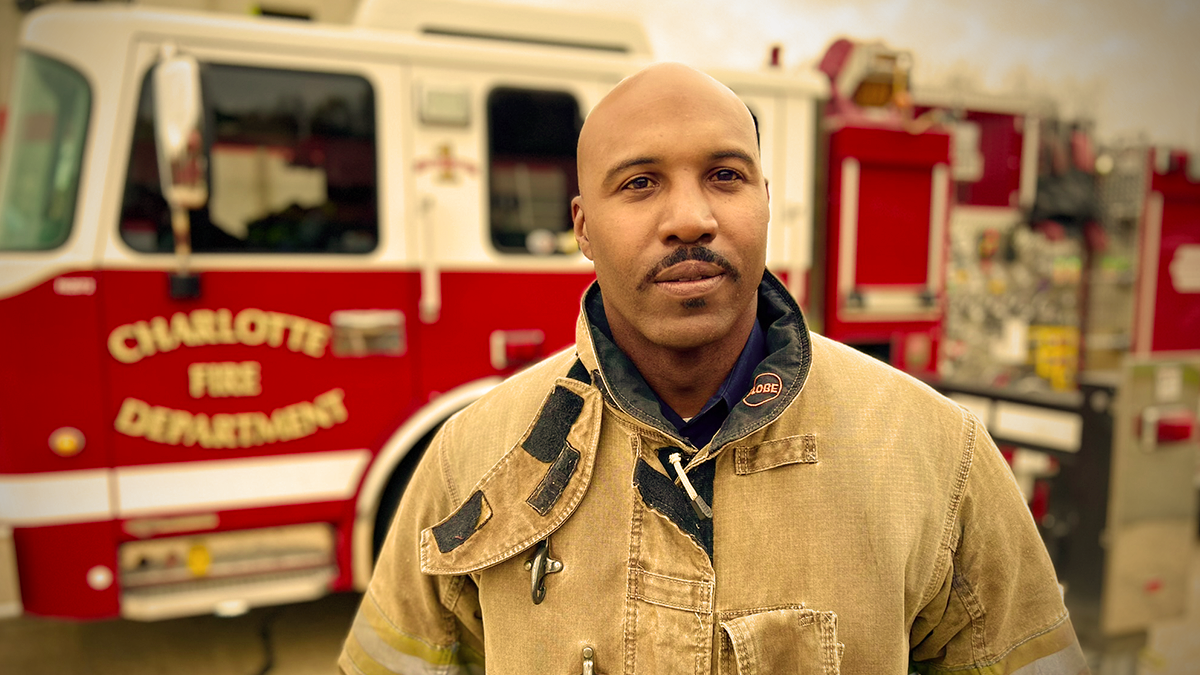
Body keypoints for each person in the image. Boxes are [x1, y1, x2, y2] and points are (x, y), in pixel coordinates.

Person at [339, 63, 1087, 675]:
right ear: (583, 228)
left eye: (725, 176)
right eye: (639, 183)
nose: (691, 216)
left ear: (767, 203)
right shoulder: (470, 458)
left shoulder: (936, 453)